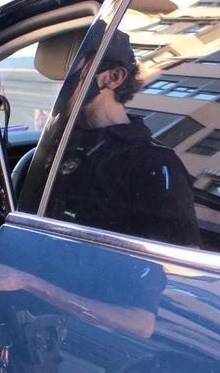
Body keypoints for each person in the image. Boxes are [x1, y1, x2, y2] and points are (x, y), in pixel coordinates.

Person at [47, 28, 202, 247]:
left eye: (71, 69)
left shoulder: (155, 164)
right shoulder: (60, 140)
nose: (60, 82)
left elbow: (180, 263)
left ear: (114, 77)